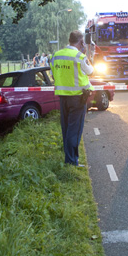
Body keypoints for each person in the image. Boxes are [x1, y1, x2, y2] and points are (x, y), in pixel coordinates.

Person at [51, 31, 93, 167]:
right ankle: (72, 161)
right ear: (81, 42)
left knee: (66, 129)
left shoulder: (56, 56)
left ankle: (69, 159)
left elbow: (53, 74)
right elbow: (90, 71)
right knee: (74, 130)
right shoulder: (80, 56)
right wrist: (85, 54)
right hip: (77, 98)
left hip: (62, 97)